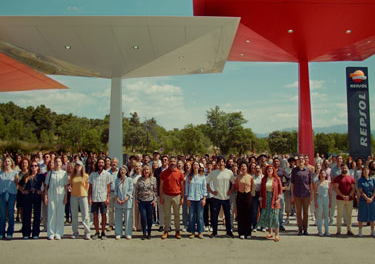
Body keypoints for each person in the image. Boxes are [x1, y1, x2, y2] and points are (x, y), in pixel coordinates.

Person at [206, 157, 235, 238]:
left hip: (226, 198)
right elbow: (207, 183)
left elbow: (233, 183)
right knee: (214, 216)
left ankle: (229, 232)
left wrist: (230, 191)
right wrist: (212, 191)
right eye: (219, 162)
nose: (221, 163)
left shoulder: (229, 172)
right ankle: (214, 232)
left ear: (224, 163)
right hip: (216, 198)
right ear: (217, 163)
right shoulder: (213, 173)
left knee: (227, 216)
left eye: (222, 162)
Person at [160, 156, 185, 239]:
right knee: (167, 215)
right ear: (168, 162)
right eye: (171, 161)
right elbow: (161, 186)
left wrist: (182, 197)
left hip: (177, 196)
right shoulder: (164, 173)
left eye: (174, 161)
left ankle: (177, 231)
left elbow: (182, 186)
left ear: (176, 162)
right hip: (166, 196)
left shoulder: (180, 173)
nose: (172, 163)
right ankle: (166, 231)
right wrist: (161, 197)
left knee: (177, 215)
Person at [19, 161, 45, 239]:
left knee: (37, 215)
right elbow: (19, 185)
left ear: (38, 167)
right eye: (32, 166)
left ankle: (35, 233)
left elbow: (46, 185)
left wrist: (42, 191)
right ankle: (26, 233)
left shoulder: (41, 176)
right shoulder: (26, 175)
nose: (33, 167)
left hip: (36, 195)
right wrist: (23, 191)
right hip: (28, 195)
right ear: (30, 167)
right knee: (27, 214)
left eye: (35, 166)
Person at [44, 157, 68, 240]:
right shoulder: (50, 173)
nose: (57, 163)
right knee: (51, 212)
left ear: (61, 163)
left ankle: (59, 232)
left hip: (61, 194)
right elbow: (46, 186)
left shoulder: (64, 173)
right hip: (51, 194)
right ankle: (51, 232)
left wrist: (65, 197)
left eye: (59, 161)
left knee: (60, 213)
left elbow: (65, 186)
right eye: (56, 161)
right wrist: (46, 196)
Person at [88, 158, 112, 240]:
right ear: (97, 164)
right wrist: (90, 198)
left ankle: (103, 232)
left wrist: (108, 198)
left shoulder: (107, 174)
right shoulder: (92, 174)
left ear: (104, 164)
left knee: (104, 215)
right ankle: (97, 232)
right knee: (95, 215)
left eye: (102, 162)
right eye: (99, 162)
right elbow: (90, 187)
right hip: (95, 198)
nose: (101, 164)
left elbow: (108, 187)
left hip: (103, 197)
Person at [258, 165, 282, 242]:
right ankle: (270, 232)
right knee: (268, 216)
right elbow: (261, 190)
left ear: (273, 170)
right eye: (268, 169)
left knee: (275, 216)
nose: (269, 170)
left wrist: (278, 199)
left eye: (271, 169)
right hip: (266, 199)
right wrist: (261, 200)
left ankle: (277, 235)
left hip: (274, 199)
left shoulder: (277, 179)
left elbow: (280, 190)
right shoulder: (264, 179)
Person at [291, 155, 313, 235]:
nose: (300, 161)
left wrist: (311, 196)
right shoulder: (294, 171)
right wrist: (292, 195)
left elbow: (310, 184)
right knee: (298, 212)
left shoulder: (308, 170)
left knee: (306, 213)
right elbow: (292, 184)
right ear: (297, 161)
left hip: (306, 194)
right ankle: (300, 228)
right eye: (299, 159)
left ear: (304, 161)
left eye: (302, 159)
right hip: (297, 194)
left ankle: (305, 228)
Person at [135, 165, 157, 240]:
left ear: (150, 171)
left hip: (150, 201)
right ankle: (144, 233)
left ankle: (149, 233)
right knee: (143, 217)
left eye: (147, 170)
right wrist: (136, 199)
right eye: (144, 170)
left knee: (150, 218)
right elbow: (136, 190)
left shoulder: (153, 179)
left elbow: (155, 191)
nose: (146, 171)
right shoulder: (139, 179)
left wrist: (155, 200)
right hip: (141, 201)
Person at [185, 162, 207, 239]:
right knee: (191, 216)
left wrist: (204, 199)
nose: (195, 166)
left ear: (199, 167)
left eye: (197, 165)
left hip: (200, 199)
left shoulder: (202, 177)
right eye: (194, 165)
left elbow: (204, 189)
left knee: (200, 216)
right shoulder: (189, 176)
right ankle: (192, 232)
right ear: (192, 167)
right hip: (191, 199)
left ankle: (200, 232)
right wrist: (187, 198)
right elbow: (186, 189)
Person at [70, 161, 90, 240]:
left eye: (79, 165)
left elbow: (87, 186)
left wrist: (85, 193)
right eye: (77, 165)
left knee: (85, 215)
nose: (78, 166)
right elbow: (71, 185)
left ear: (82, 167)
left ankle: (87, 232)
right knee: (74, 215)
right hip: (74, 196)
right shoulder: (72, 176)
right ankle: (75, 232)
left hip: (83, 196)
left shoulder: (85, 176)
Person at [0, 156, 19, 240]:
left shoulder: (15, 173)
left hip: (11, 194)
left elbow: (16, 184)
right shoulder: (0, 173)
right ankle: (1, 232)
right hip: (2, 194)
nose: (7, 163)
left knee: (11, 214)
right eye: (5, 161)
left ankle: (10, 232)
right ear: (3, 163)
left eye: (8, 161)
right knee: (2, 214)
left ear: (11, 163)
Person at [334, 164, 355, 236]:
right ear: (341, 169)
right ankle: (338, 230)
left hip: (349, 199)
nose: (344, 169)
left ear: (347, 169)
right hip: (340, 199)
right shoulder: (337, 178)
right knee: (339, 215)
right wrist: (343, 196)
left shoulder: (351, 178)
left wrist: (349, 196)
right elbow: (336, 188)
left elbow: (353, 188)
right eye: (343, 168)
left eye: (345, 168)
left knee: (349, 215)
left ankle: (349, 229)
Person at [235, 161, 253, 239]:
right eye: (242, 166)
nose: (243, 168)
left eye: (245, 166)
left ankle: (248, 232)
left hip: (248, 195)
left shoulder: (250, 177)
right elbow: (237, 187)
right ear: (240, 168)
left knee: (248, 214)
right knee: (241, 214)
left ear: (247, 167)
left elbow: (251, 187)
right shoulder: (238, 177)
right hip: (240, 195)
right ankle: (241, 233)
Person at [114, 165, 133, 240]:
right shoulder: (117, 180)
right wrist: (117, 199)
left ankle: (128, 233)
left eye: (124, 170)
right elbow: (115, 190)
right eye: (121, 170)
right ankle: (118, 233)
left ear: (126, 171)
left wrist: (126, 198)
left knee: (128, 218)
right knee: (118, 218)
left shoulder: (129, 180)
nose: (122, 171)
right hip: (118, 201)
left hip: (127, 201)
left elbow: (131, 190)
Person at [357, 167, 375, 237]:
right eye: (364, 170)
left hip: (372, 200)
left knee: (372, 215)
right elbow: (361, 191)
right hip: (363, 200)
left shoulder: (372, 180)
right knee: (361, 214)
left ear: (369, 171)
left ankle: (372, 231)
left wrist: (371, 198)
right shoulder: (360, 180)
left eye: (367, 170)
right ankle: (360, 231)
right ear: (362, 172)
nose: (366, 171)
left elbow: (374, 190)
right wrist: (367, 198)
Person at [273, 157, 289, 231]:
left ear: (279, 163)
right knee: (272, 209)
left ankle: (281, 224)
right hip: (272, 191)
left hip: (280, 191)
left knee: (281, 209)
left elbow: (288, 178)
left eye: (277, 161)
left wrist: (285, 186)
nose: (276, 163)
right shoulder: (271, 170)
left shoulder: (282, 170)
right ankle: (273, 224)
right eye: (275, 161)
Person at [154, 155, 169, 232]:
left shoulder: (170, 170)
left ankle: (168, 225)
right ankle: (161, 225)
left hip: (169, 192)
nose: (164, 161)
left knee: (168, 210)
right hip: (160, 192)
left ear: (168, 161)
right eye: (163, 160)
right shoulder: (157, 171)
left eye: (165, 160)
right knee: (161, 209)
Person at [314, 170, 331, 236]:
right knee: (319, 215)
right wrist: (315, 201)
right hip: (319, 199)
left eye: (324, 173)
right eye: (321, 173)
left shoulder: (328, 182)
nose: (323, 174)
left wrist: (331, 202)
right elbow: (315, 193)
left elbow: (329, 193)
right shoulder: (317, 182)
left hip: (326, 199)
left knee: (326, 215)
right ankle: (320, 230)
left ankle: (327, 231)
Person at [107, 157, 119, 231]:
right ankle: (111, 224)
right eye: (113, 162)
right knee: (110, 210)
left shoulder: (120, 172)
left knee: (118, 210)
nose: (114, 164)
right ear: (110, 163)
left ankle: (118, 224)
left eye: (115, 162)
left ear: (117, 164)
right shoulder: (107, 172)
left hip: (118, 193)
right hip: (110, 193)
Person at [252, 164, 264, 232]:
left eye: (258, 168)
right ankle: (255, 226)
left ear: (261, 169)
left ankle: (263, 226)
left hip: (262, 195)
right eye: (256, 168)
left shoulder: (263, 177)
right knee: (255, 211)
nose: (257, 169)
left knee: (262, 211)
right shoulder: (252, 177)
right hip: (254, 195)